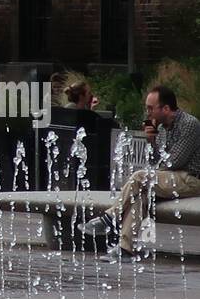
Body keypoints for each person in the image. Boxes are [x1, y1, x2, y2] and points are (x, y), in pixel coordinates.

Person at [78, 86, 200, 261]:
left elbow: (174, 163)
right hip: (171, 179)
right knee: (139, 195)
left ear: (165, 108)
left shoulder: (189, 124)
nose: (148, 113)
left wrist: (155, 150)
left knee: (139, 177)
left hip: (191, 179)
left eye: (151, 108)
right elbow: (155, 162)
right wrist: (151, 141)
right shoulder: (162, 128)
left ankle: (109, 218)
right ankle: (125, 249)